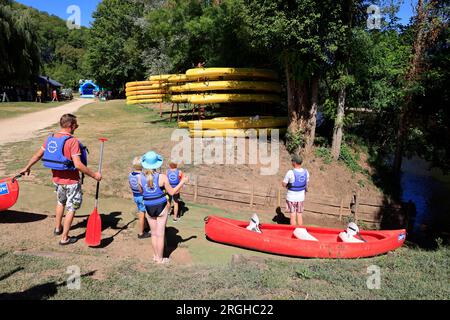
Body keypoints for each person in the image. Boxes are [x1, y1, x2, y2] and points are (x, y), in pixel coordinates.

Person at [19, 114, 102, 245]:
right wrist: (95, 175)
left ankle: (58, 228)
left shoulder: (50, 139)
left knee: (60, 203)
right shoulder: (72, 141)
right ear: (71, 126)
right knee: (71, 208)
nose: (76, 128)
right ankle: (64, 238)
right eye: (76, 125)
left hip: (57, 180)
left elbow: (37, 155)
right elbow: (78, 165)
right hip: (71, 183)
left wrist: (27, 167)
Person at [139, 151, 188, 264]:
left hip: (148, 207)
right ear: (157, 164)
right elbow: (172, 192)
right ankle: (161, 259)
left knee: (154, 233)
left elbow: (141, 192)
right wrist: (182, 182)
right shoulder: (162, 177)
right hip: (160, 206)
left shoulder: (139, 178)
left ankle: (156, 256)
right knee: (160, 235)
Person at [282, 155, 309, 226]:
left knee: (293, 214)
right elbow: (306, 185)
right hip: (301, 197)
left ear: (294, 162)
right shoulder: (306, 172)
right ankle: (300, 231)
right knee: (299, 214)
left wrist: (287, 185)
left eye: (292, 161)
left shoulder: (290, 172)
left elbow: (284, 184)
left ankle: (293, 231)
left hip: (291, 197)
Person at [129, 156, 151, 239]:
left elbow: (130, 185)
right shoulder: (142, 176)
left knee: (142, 212)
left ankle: (145, 227)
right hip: (142, 197)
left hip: (135, 196)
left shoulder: (130, 174)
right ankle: (141, 233)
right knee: (142, 215)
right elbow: (144, 188)